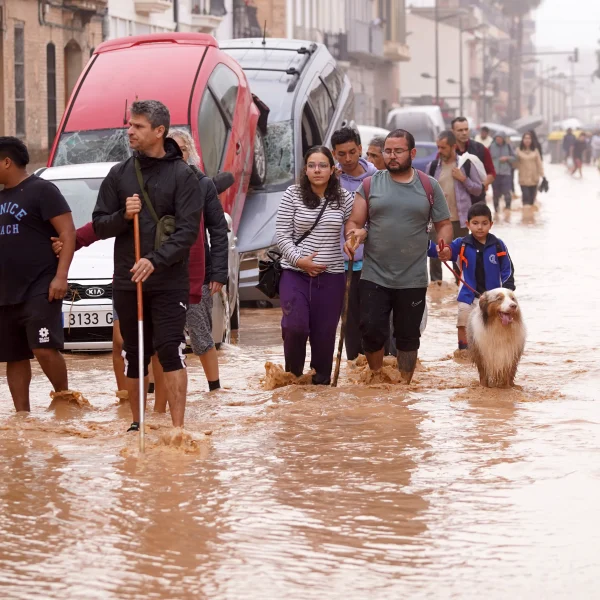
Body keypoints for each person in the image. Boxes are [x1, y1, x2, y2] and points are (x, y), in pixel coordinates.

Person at [92, 100, 204, 432]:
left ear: (159, 131)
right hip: (129, 280)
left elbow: (186, 232)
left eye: (138, 126)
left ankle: (178, 430)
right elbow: (99, 225)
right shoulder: (119, 174)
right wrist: (123, 216)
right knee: (134, 351)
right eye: (130, 125)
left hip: (169, 280)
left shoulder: (183, 176)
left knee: (170, 347)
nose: (130, 131)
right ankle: (136, 425)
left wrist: (154, 260)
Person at [344, 129, 452, 384]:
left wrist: (443, 244)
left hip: (412, 277)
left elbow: (444, 223)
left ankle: (404, 385)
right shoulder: (370, 185)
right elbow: (355, 221)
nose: (391, 156)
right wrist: (354, 235)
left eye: (398, 151)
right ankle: (377, 377)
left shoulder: (428, 185)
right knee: (371, 331)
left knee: (407, 336)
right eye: (388, 151)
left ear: (412, 153)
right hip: (374, 274)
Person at [0, 137, 76, 412]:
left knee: (43, 347)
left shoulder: (42, 190)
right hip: (6, 290)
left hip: (41, 285)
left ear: (6, 162)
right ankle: (23, 417)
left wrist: (61, 276)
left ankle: (65, 400)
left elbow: (68, 232)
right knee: (13, 356)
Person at [276, 146, 354, 385]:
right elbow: (281, 235)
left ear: (332, 170)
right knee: (295, 327)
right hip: (294, 273)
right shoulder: (292, 194)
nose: (317, 170)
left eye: (322, 166)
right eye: (312, 165)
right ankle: (293, 380)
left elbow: (355, 226)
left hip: (331, 278)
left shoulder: (344, 198)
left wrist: (352, 239)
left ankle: (320, 387)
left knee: (325, 336)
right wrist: (299, 260)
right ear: (305, 169)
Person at [169, 128, 228, 393]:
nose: (174, 155)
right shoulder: (155, 182)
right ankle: (153, 392)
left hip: (197, 272)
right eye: (169, 149)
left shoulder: (203, 184)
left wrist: (218, 273)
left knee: (200, 331)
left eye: (180, 150)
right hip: (162, 271)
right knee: (160, 337)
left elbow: (217, 230)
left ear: (189, 153)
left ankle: (214, 389)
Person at [429, 202, 515, 353]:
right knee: (463, 323)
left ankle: (492, 352)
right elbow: (444, 252)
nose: (480, 227)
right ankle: (464, 351)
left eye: (484, 223)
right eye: (475, 223)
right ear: (467, 224)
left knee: (495, 325)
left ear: (491, 224)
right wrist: (429, 246)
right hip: (468, 296)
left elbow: (507, 269)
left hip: (493, 299)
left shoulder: (498, 245)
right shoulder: (461, 244)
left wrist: (507, 290)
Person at [331, 127, 377, 361]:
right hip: (340, 263)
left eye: (352, 152)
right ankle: (354, 370)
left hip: (372, 263)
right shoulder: (329, 180)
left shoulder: (376, 178)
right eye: (341, 154)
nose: (347, 159)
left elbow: (381, 218)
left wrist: (364, 233)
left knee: (373, 320)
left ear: (360, 149)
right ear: (334, 154)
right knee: (348, 321)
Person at [427, 130, 483, 283]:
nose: (439, 151)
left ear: (453, 147)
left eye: (443, 147)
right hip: (438, 219)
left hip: (460, 219)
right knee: (435, 257)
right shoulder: (432, 167)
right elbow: (424, 193)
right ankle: (437, 292)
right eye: (438, 147)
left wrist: (463, 179)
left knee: (460, 257)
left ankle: (461, 288)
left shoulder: (465, 165)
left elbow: (478, 189)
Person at [451, 117, 496, 201]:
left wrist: (482, 186)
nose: (464, 133)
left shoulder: (480, 149)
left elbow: (491, 173)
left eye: (466, 129)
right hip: (456, 201)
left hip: (477, 200)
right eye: (460, 130)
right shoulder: (448, 151)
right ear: (452, 131)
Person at [515, 132, 544, 208]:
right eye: (525, 138)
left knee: (532, 201)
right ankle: (525, 218)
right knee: (526, 200)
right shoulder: (518, 151)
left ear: (531, 140)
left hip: (534, 179)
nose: (527, 140)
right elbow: (514, 165)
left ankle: (531, 218)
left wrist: (543, 176)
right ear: (522, 140)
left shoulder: (535, 151)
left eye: (529, 138)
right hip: (523, 180)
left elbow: (539, 164)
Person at [489, 133, 516, 213]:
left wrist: (507, 158)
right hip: (495, 173)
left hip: (506, 173)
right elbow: (486, 158)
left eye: (500, 138)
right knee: (495, 193)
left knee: (507, 192)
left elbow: (515, 158)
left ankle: (508, 210)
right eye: (497, 138)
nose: (498, 140)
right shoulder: (491, 146)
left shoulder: (508, 146)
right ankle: (496, 212)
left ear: (503, 139)